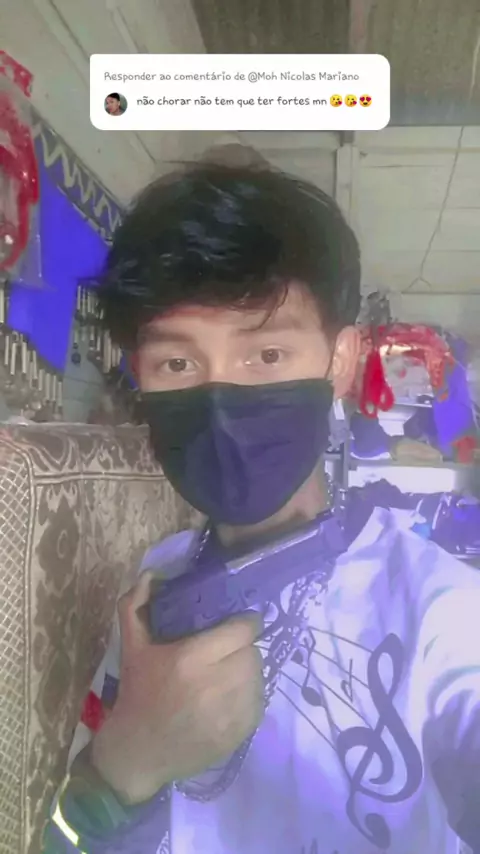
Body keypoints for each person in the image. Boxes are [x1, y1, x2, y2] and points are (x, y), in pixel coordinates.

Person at [44, 152, 480, 854]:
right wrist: (125, 766)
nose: (221, 402)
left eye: (267, 356)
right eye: (177, 363)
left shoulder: (442, 610)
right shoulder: (153, 590)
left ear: (340, 362)